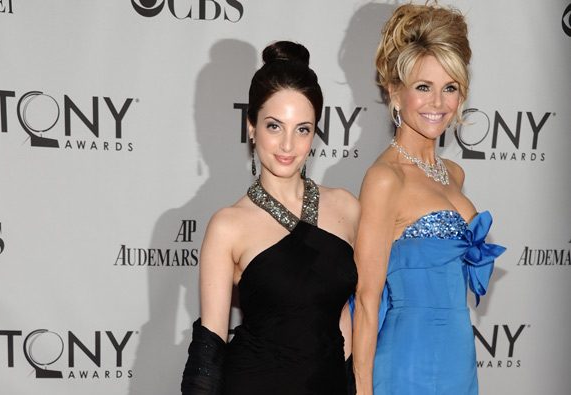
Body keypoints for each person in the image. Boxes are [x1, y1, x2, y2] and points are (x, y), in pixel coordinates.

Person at [181, 40, 360, 395]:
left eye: (302, 129)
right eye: (275, 126)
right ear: (251, 125)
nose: (288, 146)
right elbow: (210, 346)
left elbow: (342, 317)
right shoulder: (228, 225)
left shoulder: (346, 208)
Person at [351, 3, 506, 395]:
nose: (438, 103)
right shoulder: (385, 179)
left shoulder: (454, 173)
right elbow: (367, 302)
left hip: (458, 358)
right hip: (408, 361)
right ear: (395, 93)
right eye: (424, 87)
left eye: (449, 87)